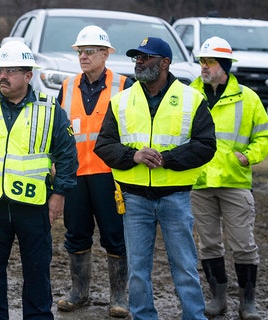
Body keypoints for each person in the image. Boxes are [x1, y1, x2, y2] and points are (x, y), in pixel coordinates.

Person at [93, 36, 217, 320]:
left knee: (185, 266)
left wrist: (168, 159)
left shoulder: (191, 99)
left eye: (145, 57)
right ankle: (143, 316)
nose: (139, 62)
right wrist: (133, 156)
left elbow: (206, 145)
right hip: (134, 199)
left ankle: (193, 316)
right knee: (137, 270)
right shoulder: (121, 100)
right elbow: (104, 145)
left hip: (175, 196)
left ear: (165, 63)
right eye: (137, 57)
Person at [0, 40, 78, 319]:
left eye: (11, 70)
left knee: (37, 269)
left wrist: (59, 193)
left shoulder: (49, 110)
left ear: (28, 76)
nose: (3, 75)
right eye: (1, 69)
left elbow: (67, 155)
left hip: (34, 205)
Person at [189, 36, 268, 320]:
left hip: (234, 181)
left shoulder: (248, 98)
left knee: (243, 243)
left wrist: (248, 156)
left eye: (209, 61)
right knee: (209, 243)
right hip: (200, 182)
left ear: (224, 66)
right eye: (201, 61)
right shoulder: (189, 94)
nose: (204, 66)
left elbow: (264, 136)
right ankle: (218, 297)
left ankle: (247, 301)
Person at [55, 25, 132, 318]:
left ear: (105, 54)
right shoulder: (67, 86)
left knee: (115, 234)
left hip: (110, 175)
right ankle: (79, 291)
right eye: (80, 52)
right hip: (76, 176)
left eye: (89, 51)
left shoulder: (124, 86)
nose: (83, 56)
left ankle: (119, 295)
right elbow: (62, 133)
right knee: (76, 233)